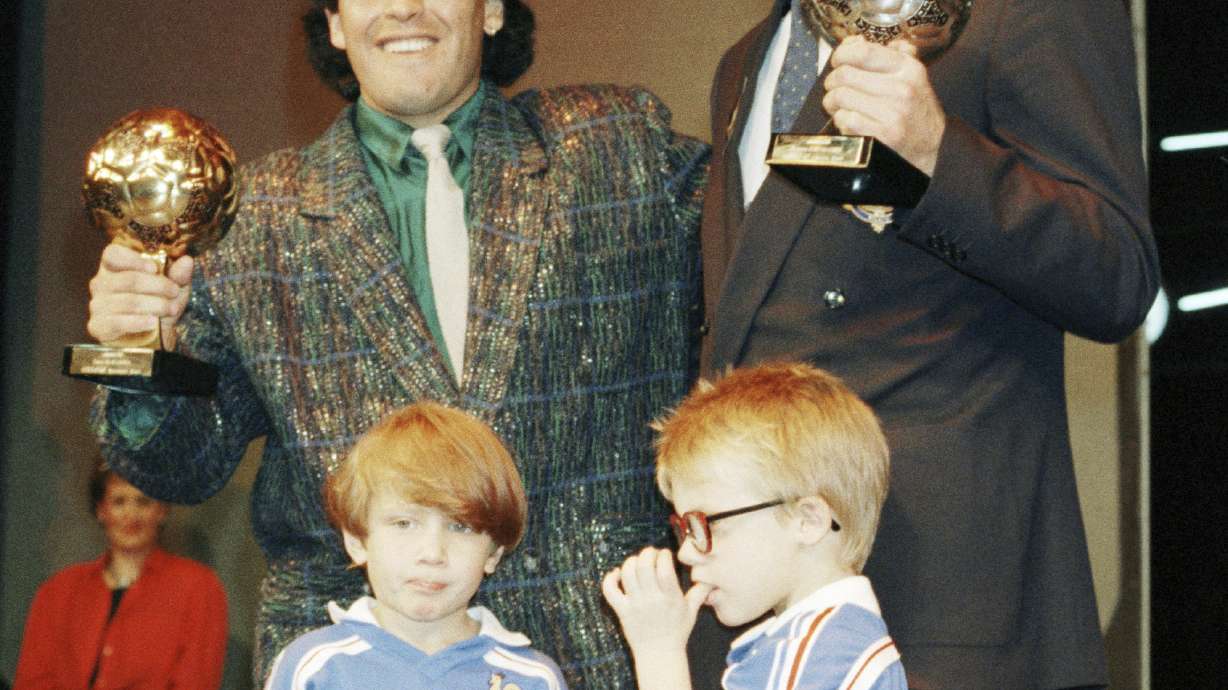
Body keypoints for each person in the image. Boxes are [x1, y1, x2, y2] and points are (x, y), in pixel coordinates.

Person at [86, 0, 707, 685]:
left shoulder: (617, 146)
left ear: (492, 10)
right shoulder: (250, 217)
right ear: (334, 22)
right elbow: (179, 468)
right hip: (351, 666)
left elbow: (776, 267)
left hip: (603, 652)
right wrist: (140, 353)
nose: (405, 7)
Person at [696, 1, 1159, 688]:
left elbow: (1117, 276)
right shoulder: (745, 59)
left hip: (943, 610)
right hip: (765, 626)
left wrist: (938, 156)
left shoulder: (1029, 11)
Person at [602, 362, 906, 690]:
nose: (686, 553)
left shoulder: (811, 659)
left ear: (808, 520)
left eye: (707, 524)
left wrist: (658, 651)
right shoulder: (837, 645)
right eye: (685, 528)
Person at [264, 402, 566, 689]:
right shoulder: (314, 668)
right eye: (404, 524)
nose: (433, 554)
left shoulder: (533, 678)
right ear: (357, 541)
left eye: (460, 526)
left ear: (494, 553)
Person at [14, 463, 228, 689]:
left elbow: (195, 683)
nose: (131, 515)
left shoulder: (198, 588)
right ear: (101, 510)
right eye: (119, 501)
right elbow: (32, 682)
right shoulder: (57, 592)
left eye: (143, 502)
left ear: (162, 510)